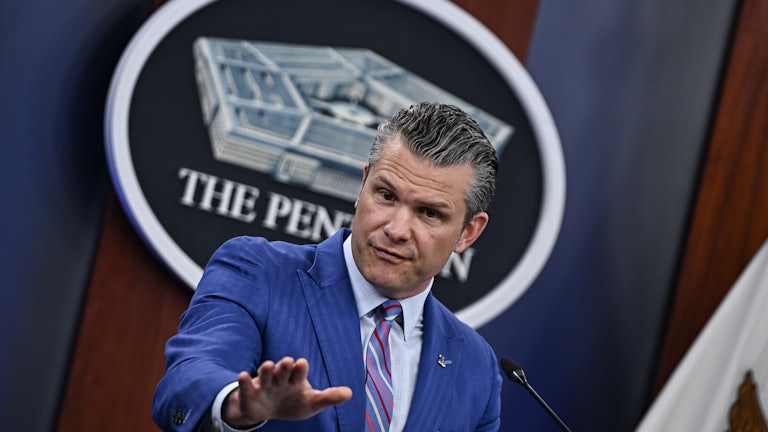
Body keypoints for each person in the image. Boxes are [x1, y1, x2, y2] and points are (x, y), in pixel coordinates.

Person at [152, 102, 503, 431]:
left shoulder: (477, 365)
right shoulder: (259, 272)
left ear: (468, 232)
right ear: (363, 185)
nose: (396, 230)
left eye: (429, 213)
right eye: (386, 195)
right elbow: (189, 378)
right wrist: (238, 407)